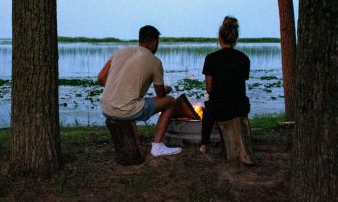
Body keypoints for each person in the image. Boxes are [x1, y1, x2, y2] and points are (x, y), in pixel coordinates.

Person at [98, 25, 187, 157]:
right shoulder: (155, 61)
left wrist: (119, 88)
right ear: (154, 41)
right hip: (126, 110)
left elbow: (101, 79)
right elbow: (161, 94)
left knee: (137, 101)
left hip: (106, 108)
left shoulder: (119, 52)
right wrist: (167, 88)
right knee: (171, 102)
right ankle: (157, 147)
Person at [200, 16, 250, 153]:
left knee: (207, 110)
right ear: (235, 39)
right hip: (240, 108)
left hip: (219, 109)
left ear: (220, 38)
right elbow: (240, 84)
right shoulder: (244, 59)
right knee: (241, 101)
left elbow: (209, 89)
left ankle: (204, 144)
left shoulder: (210, 58)